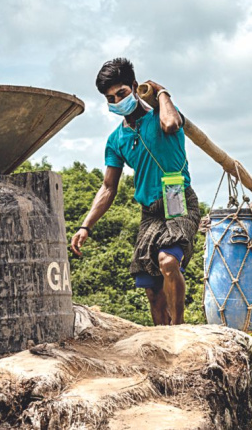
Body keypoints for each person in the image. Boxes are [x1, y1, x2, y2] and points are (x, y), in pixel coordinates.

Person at [70, 58, 200, 326]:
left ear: (134, 86)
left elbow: (171, 125)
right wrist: (86, 226)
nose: (117, 101)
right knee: (151, 288)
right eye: (111, 98)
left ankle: (179, 328)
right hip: (149, 212)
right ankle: (162, 336)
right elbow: (108, 187)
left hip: (178, 200)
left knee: (168, 262)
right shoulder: (116, 140)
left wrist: (162, 92)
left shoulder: (163, 115)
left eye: (122, 93)